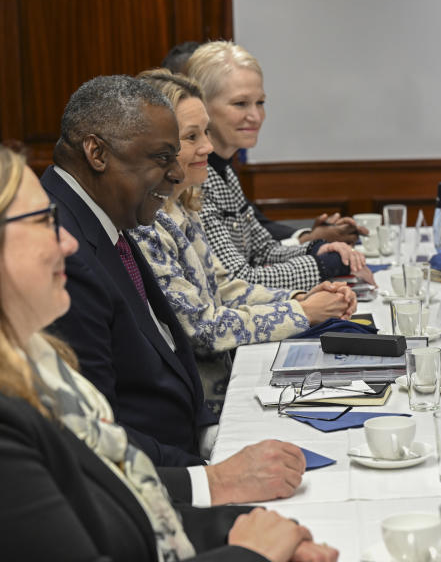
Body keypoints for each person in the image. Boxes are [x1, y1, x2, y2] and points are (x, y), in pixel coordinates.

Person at [0, 146, 338, 561]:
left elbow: (123, 503)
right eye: (43, 221)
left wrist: (246, 529)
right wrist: (250, 554)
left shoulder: (40, 362)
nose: (67, 241)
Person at [130, 69, 357, 415]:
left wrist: (297, 297)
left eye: (205, 132)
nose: (208, 146)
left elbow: (224, 286)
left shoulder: (179, 205)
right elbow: (203, 329)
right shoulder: (146, 223)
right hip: (204, 404)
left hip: (226, 380)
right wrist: (301, 313)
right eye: (192, 136)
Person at [186, 41, 372, 291]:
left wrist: (319, 248)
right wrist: (327, 264)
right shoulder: (196, 178)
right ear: (202, 108)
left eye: (260, 103)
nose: (256, 116)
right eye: (240, 104)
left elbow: (263, 249)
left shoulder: (225, 170)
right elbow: (238, 280)